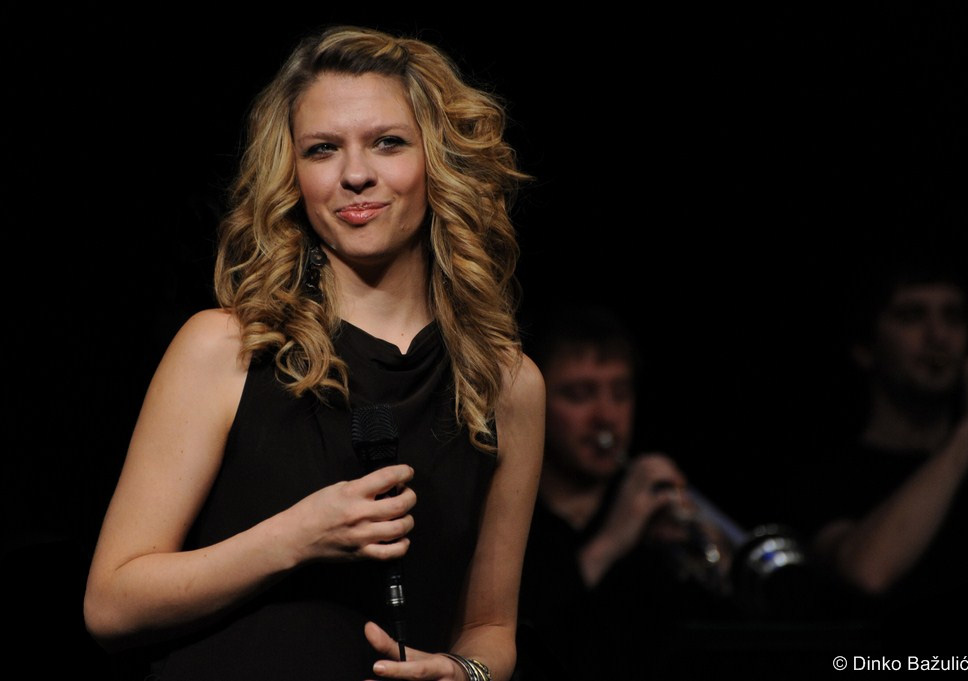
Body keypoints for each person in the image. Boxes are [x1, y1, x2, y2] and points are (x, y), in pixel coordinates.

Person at [83, 26, 544, 681]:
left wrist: (464, 672)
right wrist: (297, 536)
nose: (356, 174)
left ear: (438, 160)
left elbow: (491, 629)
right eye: (323, 149)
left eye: (388, 142)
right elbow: (111, 604)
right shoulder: (226, 348)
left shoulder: (504, 382)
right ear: (293, 175)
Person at [517, 305, 737, 680]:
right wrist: (613, 539)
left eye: (620, 393)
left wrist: (719, 563)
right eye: (580, 394)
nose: (607, 416)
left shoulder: (656, 513)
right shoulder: (515, 515)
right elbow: (528, 637)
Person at [810, 262, 968, 648]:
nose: (939, 337)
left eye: (953, 317)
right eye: (911, 316)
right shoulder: (827, 476)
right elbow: (869, 572)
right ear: (864, 348)